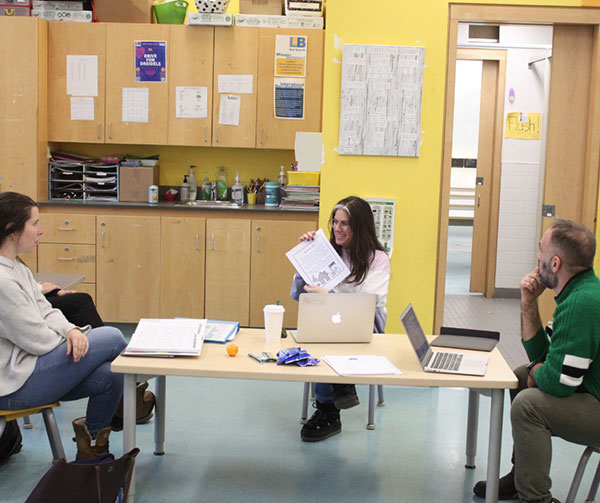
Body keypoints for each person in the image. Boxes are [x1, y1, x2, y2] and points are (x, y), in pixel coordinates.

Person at [473, 219, 600, 503]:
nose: (538, 257)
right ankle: (521, 478)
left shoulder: (582, 303)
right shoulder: (578, 292)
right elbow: (543, 359)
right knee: (521, 375)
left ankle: (536, 498)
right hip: (592, 392)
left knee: (528, 405)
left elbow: (561, 383)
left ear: (555, 263)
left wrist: (538, 372)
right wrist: (528, 302)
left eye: (541, 251)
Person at [0, 192, 127, 460]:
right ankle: (136, 390)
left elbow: (47, 309)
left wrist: (71, 331)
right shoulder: (2, 280)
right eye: (34, 224)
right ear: (12, 229)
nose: (40, 231)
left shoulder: (16, 269)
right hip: (12, 387)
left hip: (31, 371)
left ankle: (91, 452)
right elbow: (38, 340)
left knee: (112, 375)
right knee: (113, 337)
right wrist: (73, 339)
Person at [290, 196, 390, 442]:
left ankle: (328, 411)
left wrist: (329, 296)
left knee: (328, 341)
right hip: (330, 322)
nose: (337, 228)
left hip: (367, 327)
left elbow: (368, 303)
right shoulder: (329, 252)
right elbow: (297, 294)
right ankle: (336, 395)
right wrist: (307, 255)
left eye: (344, 223)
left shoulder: (377, 258)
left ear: (360, 227)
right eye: (335, 222)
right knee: (322, 337)